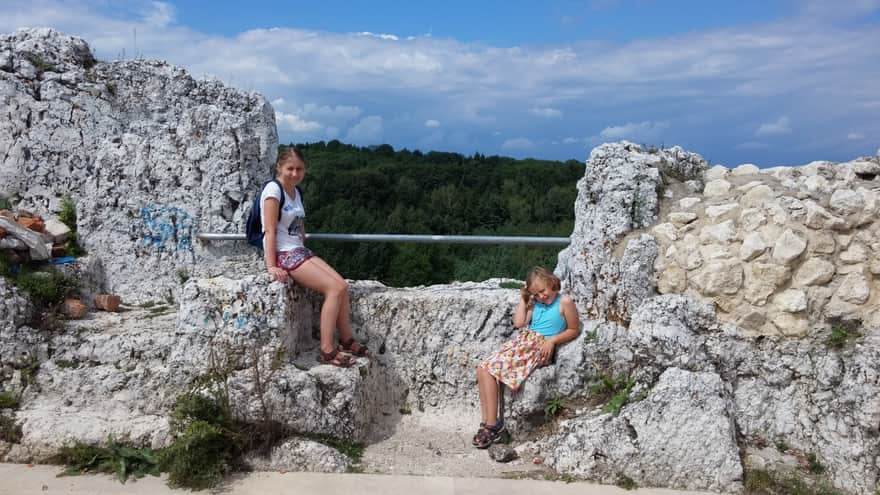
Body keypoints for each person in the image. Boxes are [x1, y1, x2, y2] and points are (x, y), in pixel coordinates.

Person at [261, 148, 367, 367]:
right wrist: (271, 265)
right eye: (290, 168)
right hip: (284, 254)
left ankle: (346, 340)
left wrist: (305, 251)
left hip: (298, 250)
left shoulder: (296, 192)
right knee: (334, 289)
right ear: (279, 167)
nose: (294, 173)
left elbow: (298, 224)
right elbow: (269, 230)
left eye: (299, 169)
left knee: (342, 286)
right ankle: (327, 350)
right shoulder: (273, 190)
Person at [472, 267, 580, 448]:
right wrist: (524, 299)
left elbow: (573, 329)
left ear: (552, 283)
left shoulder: (565, 302)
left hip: (538, 347)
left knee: (490, 370)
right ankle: (488, 423)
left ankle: (493, 426)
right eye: (536, 294)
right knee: (482, 369)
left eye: (543, 290)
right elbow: (519, 323)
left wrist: (552, 341)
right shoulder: (536, 303)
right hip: (524, 342)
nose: (542, 296)